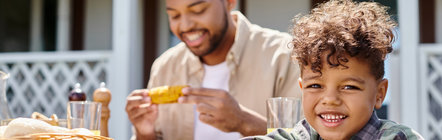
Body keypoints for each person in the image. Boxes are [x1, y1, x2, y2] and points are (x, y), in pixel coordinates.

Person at [244, 0, 424, 139]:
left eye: (349, 87)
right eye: (315, 86)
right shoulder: (299, 135)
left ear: (379, 93)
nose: (330, 100)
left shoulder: (396, 137)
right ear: (301, 88)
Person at [125, 0, 301, 139]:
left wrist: (243, 122)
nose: (185, 26)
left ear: (229, 2)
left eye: (198, 10)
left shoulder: (284, 56)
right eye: (174, 15)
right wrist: (145, 133)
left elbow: (310, 136)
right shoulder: (165, 67)